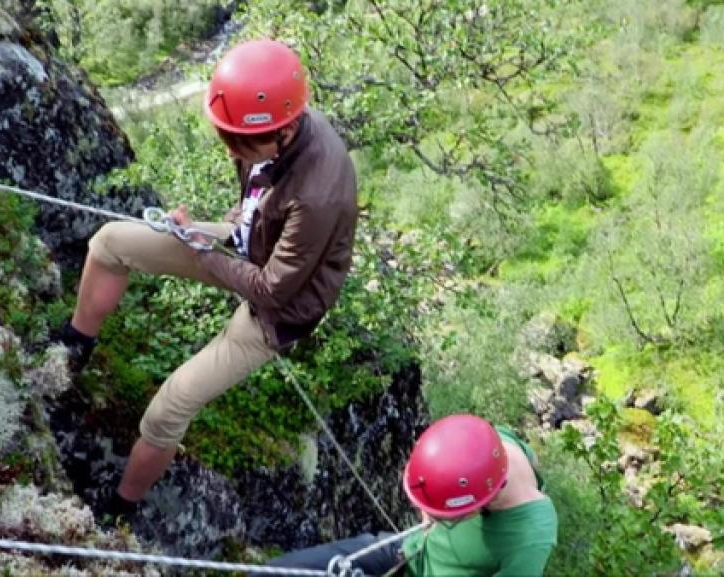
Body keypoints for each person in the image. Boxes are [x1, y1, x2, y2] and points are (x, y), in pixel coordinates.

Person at [55, 38, 358, 519]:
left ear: (285, 129)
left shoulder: (319, 191)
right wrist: (221, 223)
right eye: (227, 137)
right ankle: (71, 349)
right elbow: (258, 195)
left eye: (239, 142)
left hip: (278, 307)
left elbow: (273, 287)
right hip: (244, 245)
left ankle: (117, 512)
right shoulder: (258, 131)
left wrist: (200, 246)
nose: (232, 149)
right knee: (110, 242)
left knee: (169, 408)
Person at [264, 414, 558, 576]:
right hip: (405, 551)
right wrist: (431, 511)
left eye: (449, 518)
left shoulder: (530, 539)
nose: (436, 519)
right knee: (275, 574)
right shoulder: (484, 443)